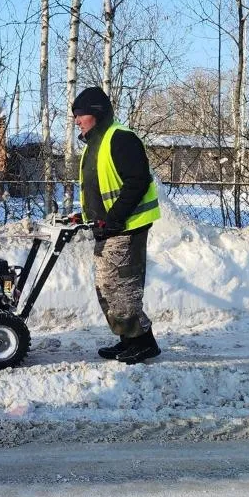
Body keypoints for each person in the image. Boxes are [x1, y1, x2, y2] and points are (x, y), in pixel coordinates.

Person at [71, 86, 162, 364]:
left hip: (127, 227)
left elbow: (138, 181)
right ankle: (129, 340)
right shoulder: (94, 145)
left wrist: (115, 218)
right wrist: (84, 217)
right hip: (108, 228)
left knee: (123, 287)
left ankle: (143, 343)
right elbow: (99, 188)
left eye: (81, 115)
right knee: (109, 287)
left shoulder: (119, 138)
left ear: (96, 114)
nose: (76, 120)